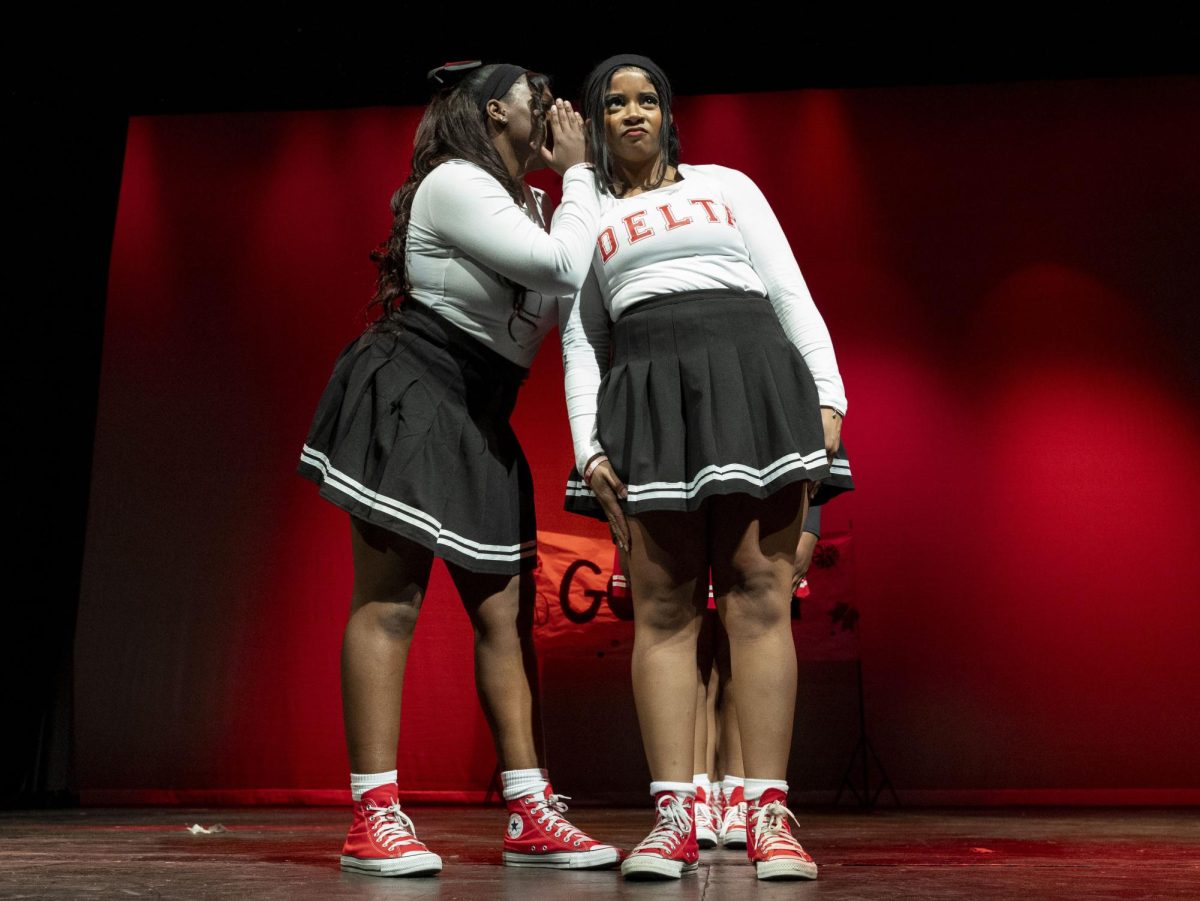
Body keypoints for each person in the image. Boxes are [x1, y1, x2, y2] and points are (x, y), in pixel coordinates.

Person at [298, 61, 620, 877]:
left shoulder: (539, 204)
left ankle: (531, 809)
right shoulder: (453, 182)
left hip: (481, 410)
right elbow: (556, 268)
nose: (549, 101)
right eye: (532, 89)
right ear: (490, 110)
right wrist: (581, 172)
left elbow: (573, 303)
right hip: (413, 383)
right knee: (392, 600)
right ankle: (374, 813)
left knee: (507, 619)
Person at [561, 54, 850, 882]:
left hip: (752, 382)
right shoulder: (585, 220)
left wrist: (828, 396)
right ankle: (676, 816)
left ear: (667, 111)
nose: (632, 113)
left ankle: (767, 814)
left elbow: (790, 292)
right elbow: (583, 342)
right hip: (648, 400)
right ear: (596, 119)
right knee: (664, 607)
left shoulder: (727, 184)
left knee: (760, 595)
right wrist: (590, 443)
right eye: (614, 103)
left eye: (646, 98)